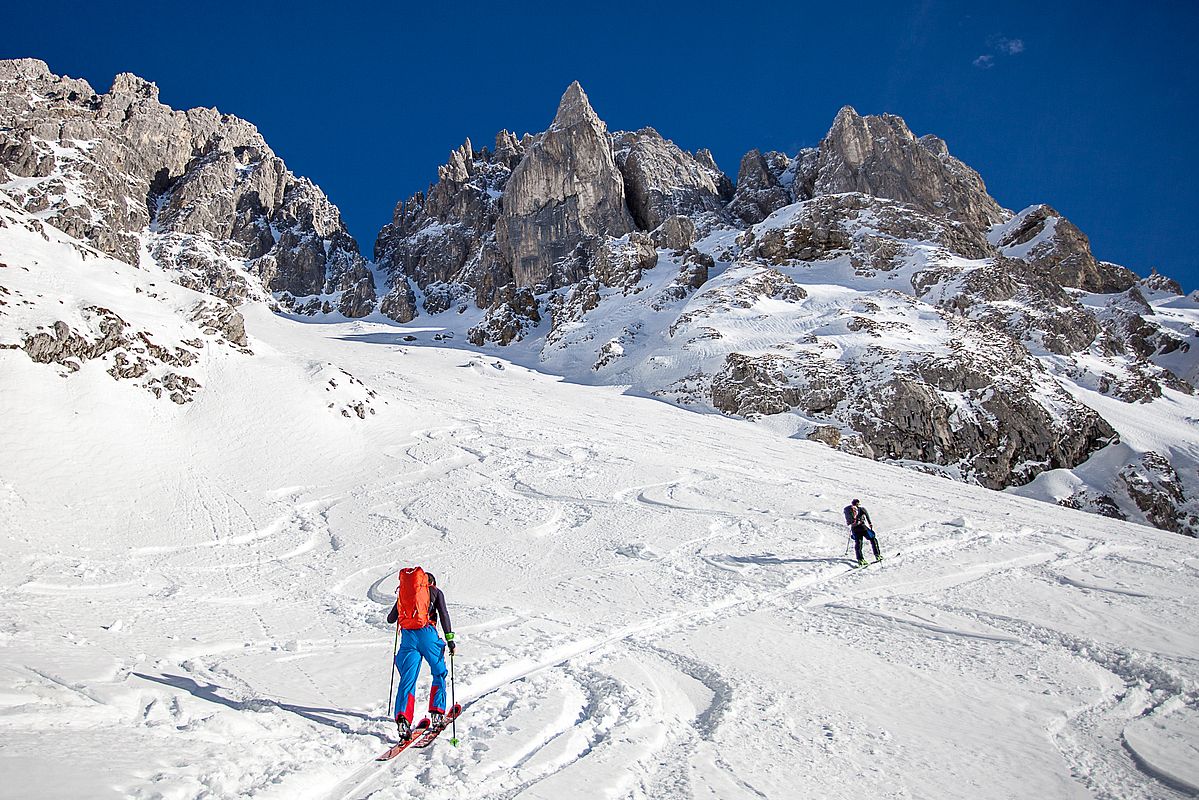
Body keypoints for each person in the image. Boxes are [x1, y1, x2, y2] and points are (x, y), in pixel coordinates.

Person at [387, 570, 457, 739]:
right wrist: (450, 641)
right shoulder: (436, 592)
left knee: (407, 679)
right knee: (439, 672)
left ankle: (403, 720)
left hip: (408, 637)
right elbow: (444, 615)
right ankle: (437, 712)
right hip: (427, 634)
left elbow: (390, 619)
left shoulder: (406, 594)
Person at [843, 498, 882, 566]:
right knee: (873, 539)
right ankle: (877, 555)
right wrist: (870, 524)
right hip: (862, 527)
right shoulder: (861, 509)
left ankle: (860, 559)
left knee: (858, 543)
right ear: (858, 503)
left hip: (854, 528)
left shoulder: (849, 510)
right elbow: (867, 516)